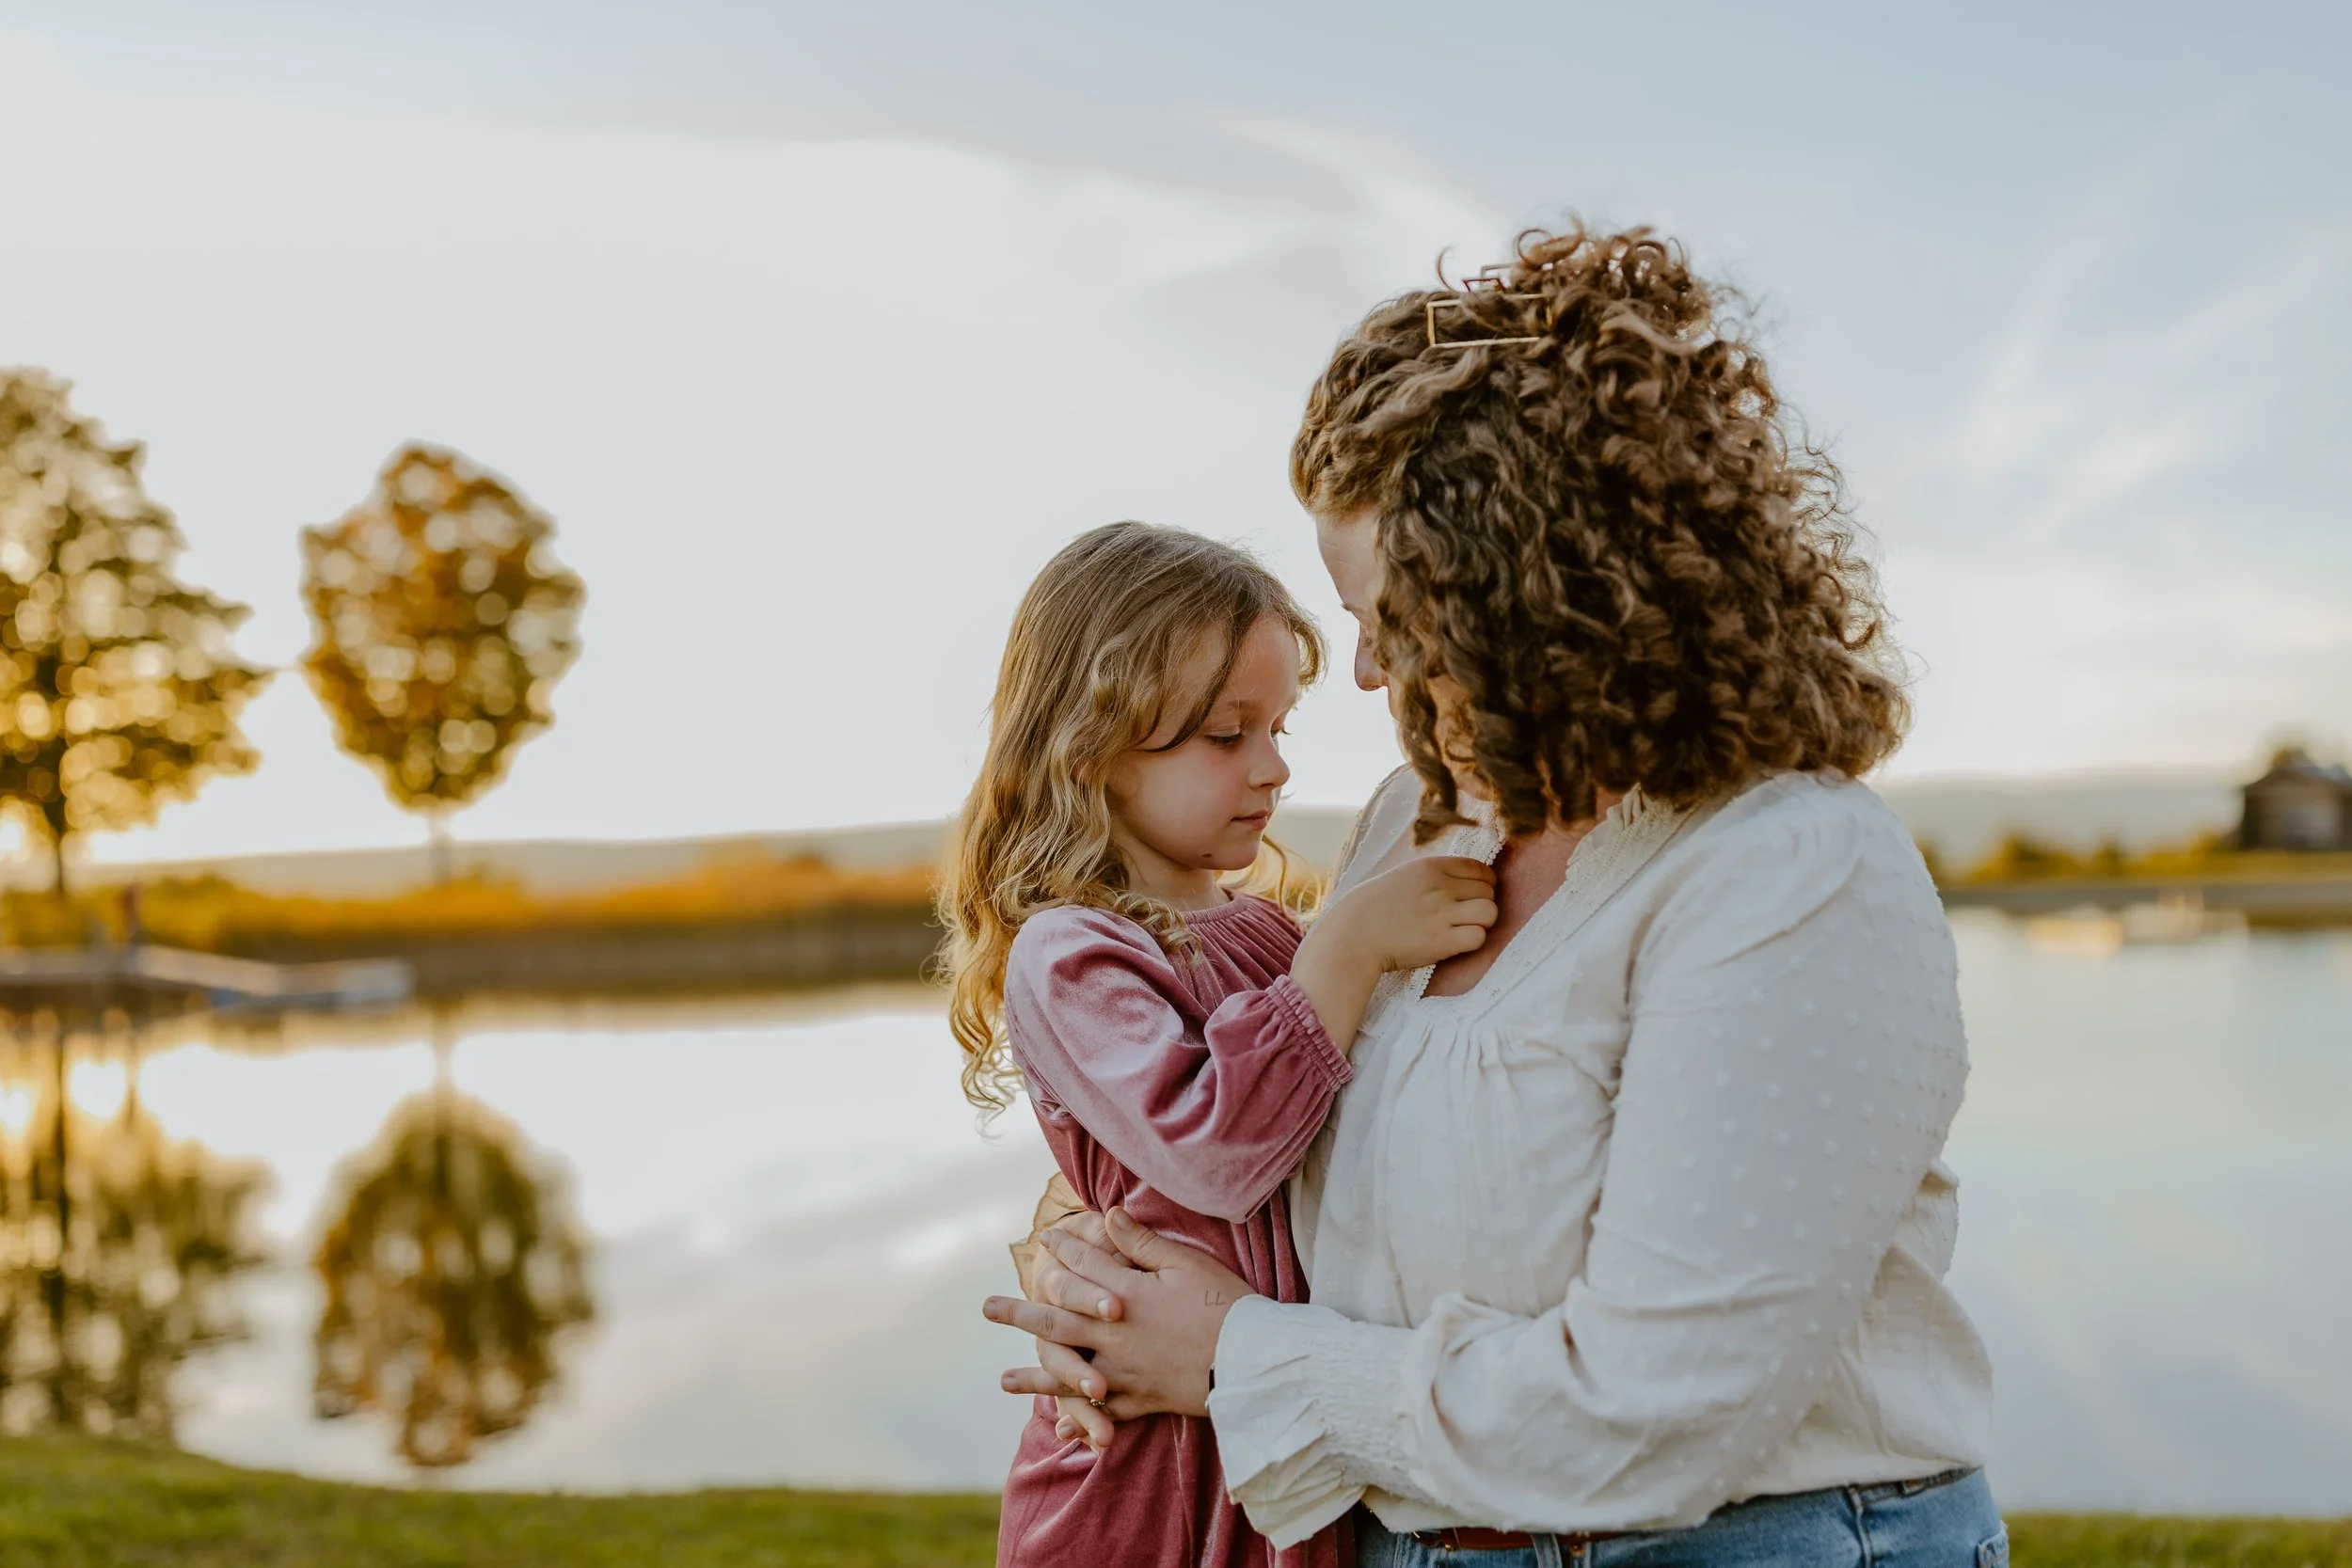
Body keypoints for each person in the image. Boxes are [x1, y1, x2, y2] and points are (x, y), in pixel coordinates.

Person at [986, 225, 2006, 1566]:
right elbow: (1278, 1139)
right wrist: (1101, 1263)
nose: (1361, 675)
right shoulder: (1425, 816)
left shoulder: (1787, 872)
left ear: (1534, 597)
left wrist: (1233, 1351)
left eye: (1388, 620)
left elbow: (1651, 1415)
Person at [942, 521, 1499, 1568]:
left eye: (1279, 726)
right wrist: (1348, 948)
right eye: (1225, 733)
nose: (1273, 767)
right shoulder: (1073, 954)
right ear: (1092, 744)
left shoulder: (1265, 931)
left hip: (1266, 1422)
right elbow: (1213, 1148)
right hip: (1144, 1465)